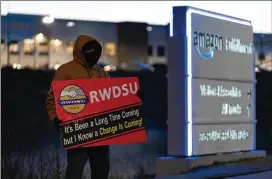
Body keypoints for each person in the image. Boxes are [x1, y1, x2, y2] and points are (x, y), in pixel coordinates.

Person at [46, 35, 111, 179]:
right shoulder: (65, 71)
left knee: (102, 171)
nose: (93, 55)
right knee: (74, 172)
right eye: (89, 52)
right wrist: (56, 118)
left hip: (100, 132)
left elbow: (112, 99)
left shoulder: (103, 73)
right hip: (77, 132)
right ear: (80, 51)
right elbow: (52, 99)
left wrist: (133, 98)